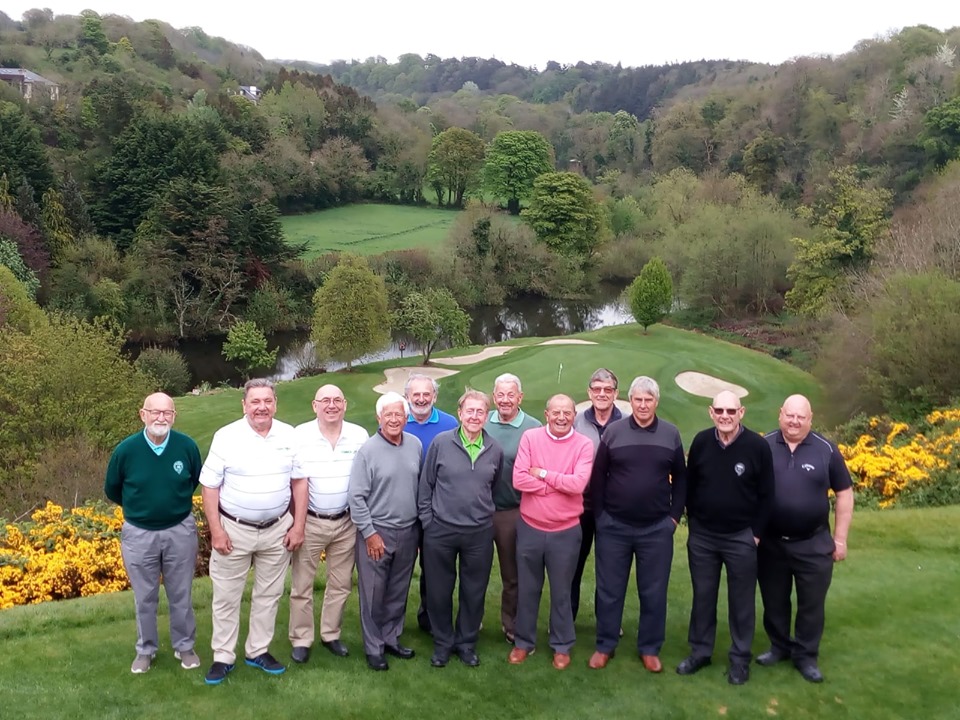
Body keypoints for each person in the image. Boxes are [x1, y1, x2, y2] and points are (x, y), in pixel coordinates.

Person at [199, 378, 307, 686]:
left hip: (277, 530)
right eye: (255, 402)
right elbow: (209, 486)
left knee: (269, 595)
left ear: (275, 404)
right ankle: (223, 656)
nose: (262, 407)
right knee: (226, 597)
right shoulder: (227, 436)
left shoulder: (289, 435)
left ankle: (257, 650)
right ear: (244, 405)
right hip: (234, 530)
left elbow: (299, 481)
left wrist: (298, 525)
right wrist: (216, 530)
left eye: (267, 401)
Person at [588, 376, 686, 673]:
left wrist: (673, 518)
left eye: (649, 399)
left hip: (656, 528)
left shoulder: (670, 434)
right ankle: (605, 645)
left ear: (656, 402)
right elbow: (598, 478)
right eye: (638, 399)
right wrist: (601, 517)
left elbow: (682, 479)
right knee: (609, 589)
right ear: (629, 401)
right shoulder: (614, 433)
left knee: (653, 590)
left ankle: (649, 648)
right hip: (614, 526)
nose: (643, 405)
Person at [676, 391, 774, 685]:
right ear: (711, 412)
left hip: (740, 537)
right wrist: (694, 524)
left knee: (741, 601)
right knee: (703, 597)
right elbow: (690, 486)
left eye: (731, 411)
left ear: (741, 413)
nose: (725, 416)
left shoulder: (757, 446)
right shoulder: (702, 442)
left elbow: (767, 495)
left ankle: (740, 659)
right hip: (704, 536)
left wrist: (755, 535)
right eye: (719, 410)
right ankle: (701, 652)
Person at [104, 392, 203, 674]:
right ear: (143, 414)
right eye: (155, 412)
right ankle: (145, 650)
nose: (161, 418)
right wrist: (141, 509)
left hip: (180, 530)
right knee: (145, 596)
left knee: (181, 593)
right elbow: (113, 488)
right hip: (139, 534)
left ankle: (184, 646)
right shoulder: (126, 450)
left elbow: (194, 480)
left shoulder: (186, 447)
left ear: (174, 416)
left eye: (167, 413)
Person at [758, 394, 854, 684]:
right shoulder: (764, 446)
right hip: (771, 542)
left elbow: (844, 493)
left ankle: (806, 655)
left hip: (813, 542)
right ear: (780, 414)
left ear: (810, 419)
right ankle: (779, 646)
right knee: (774, 600)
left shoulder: (826, 449)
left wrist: (840, 539)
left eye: (801, 416)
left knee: (812, 603)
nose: (794, 421)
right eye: (790, 415)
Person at [419, 389, 504, 668]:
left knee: (473, 591)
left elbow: (494, 487)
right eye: (470, 411)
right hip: (440, 530)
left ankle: (466, 643)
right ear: (460, 413)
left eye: (481, 411)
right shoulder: (441, 443)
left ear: (486, 415)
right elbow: (426, 486)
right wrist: (428, 522)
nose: (475, 416)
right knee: (439, 591)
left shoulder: (495, 449)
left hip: (478, 532)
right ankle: (443, 643)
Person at [509, 394, 594, 670]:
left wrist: (543, 475)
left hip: (565, 531)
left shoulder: (583, 444)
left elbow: (578, 484)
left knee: (561, 591)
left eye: (567, 412)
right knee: (528, 589)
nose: (561, 417)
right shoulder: (531, 438)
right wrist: (558, 483)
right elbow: (519, 478)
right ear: (546, 414)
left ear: (573, 415)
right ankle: (523, 642)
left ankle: (562, 645)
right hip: (531, 527)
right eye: (555, 412)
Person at [288, 384, 369, 664]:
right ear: (315, 405)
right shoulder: (300, 435)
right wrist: (295, 524)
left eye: (337, 400)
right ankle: (301, 638)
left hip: (346, 522)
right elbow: (293, 481)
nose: (331, 405)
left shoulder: (359, 435)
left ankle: (330, 634)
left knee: (341, 583)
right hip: (310, 521)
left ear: (345, 405)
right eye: (325, 400)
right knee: (302, 584)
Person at [348, 391, 422, 671]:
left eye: (399, 414)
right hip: (377, 531)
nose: (394, 419)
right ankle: (374, 647)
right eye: (388, 414)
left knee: (398, 591)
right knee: (374, 593)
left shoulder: (414, 444)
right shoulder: (368, 450)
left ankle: (391, 638)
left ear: (407, 417)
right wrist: (369, 533)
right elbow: (356, 497)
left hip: (408, 530)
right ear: (379, 417)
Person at [484, 373, 541, 644]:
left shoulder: (532, 427)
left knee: (512, 574)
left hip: (513, 511)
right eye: (500, 395)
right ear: (494, 397)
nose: (505, 400)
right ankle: (471, 621)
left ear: (520, 397)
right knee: (475, 571)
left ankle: (511, 624)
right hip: (480, 510)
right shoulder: (482, 421)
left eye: (511, 395)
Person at [403, 373, 458, 634]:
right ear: (407, 398)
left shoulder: (449, 423)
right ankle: (391, 622)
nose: (422, 399)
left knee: (433, 568)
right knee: (399, 568)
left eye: (427, 394)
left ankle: (429, 616)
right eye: (416, 395)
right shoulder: (396, 420)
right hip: (401, 507)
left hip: (436, 509)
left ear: (434, 396)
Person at [571, 368, 622, 623]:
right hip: (580, 507)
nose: (602, 394)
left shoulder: (626, 424)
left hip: (614, 509)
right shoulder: (576, 421)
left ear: (616, 393)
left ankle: (608, 624)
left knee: (610, 569)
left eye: (608, 389)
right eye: (597, 389)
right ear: (589, 392)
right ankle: (565, 621)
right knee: (573, 567)